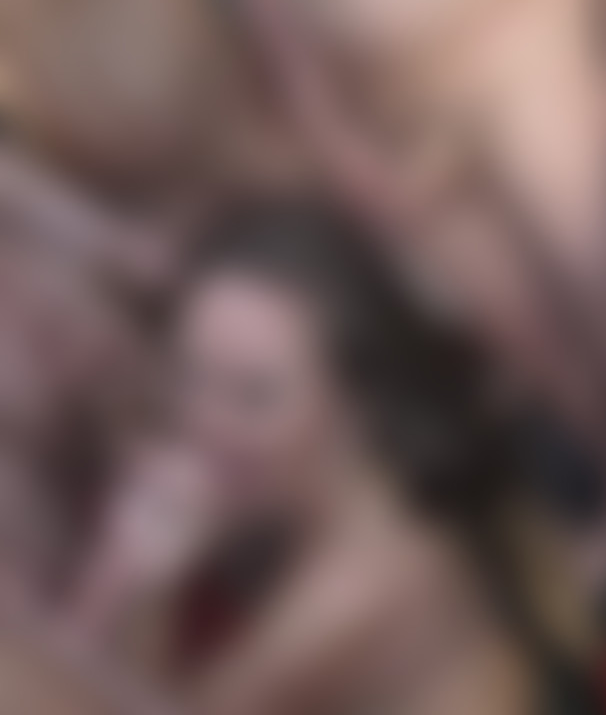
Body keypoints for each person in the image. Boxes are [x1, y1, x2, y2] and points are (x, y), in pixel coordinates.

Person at [66, 204, 554, 715]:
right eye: (192, 376)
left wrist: (140, 581)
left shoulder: (362, 582)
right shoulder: (384, 516)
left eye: (253, 396)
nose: (205, 425)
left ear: (357, 402)